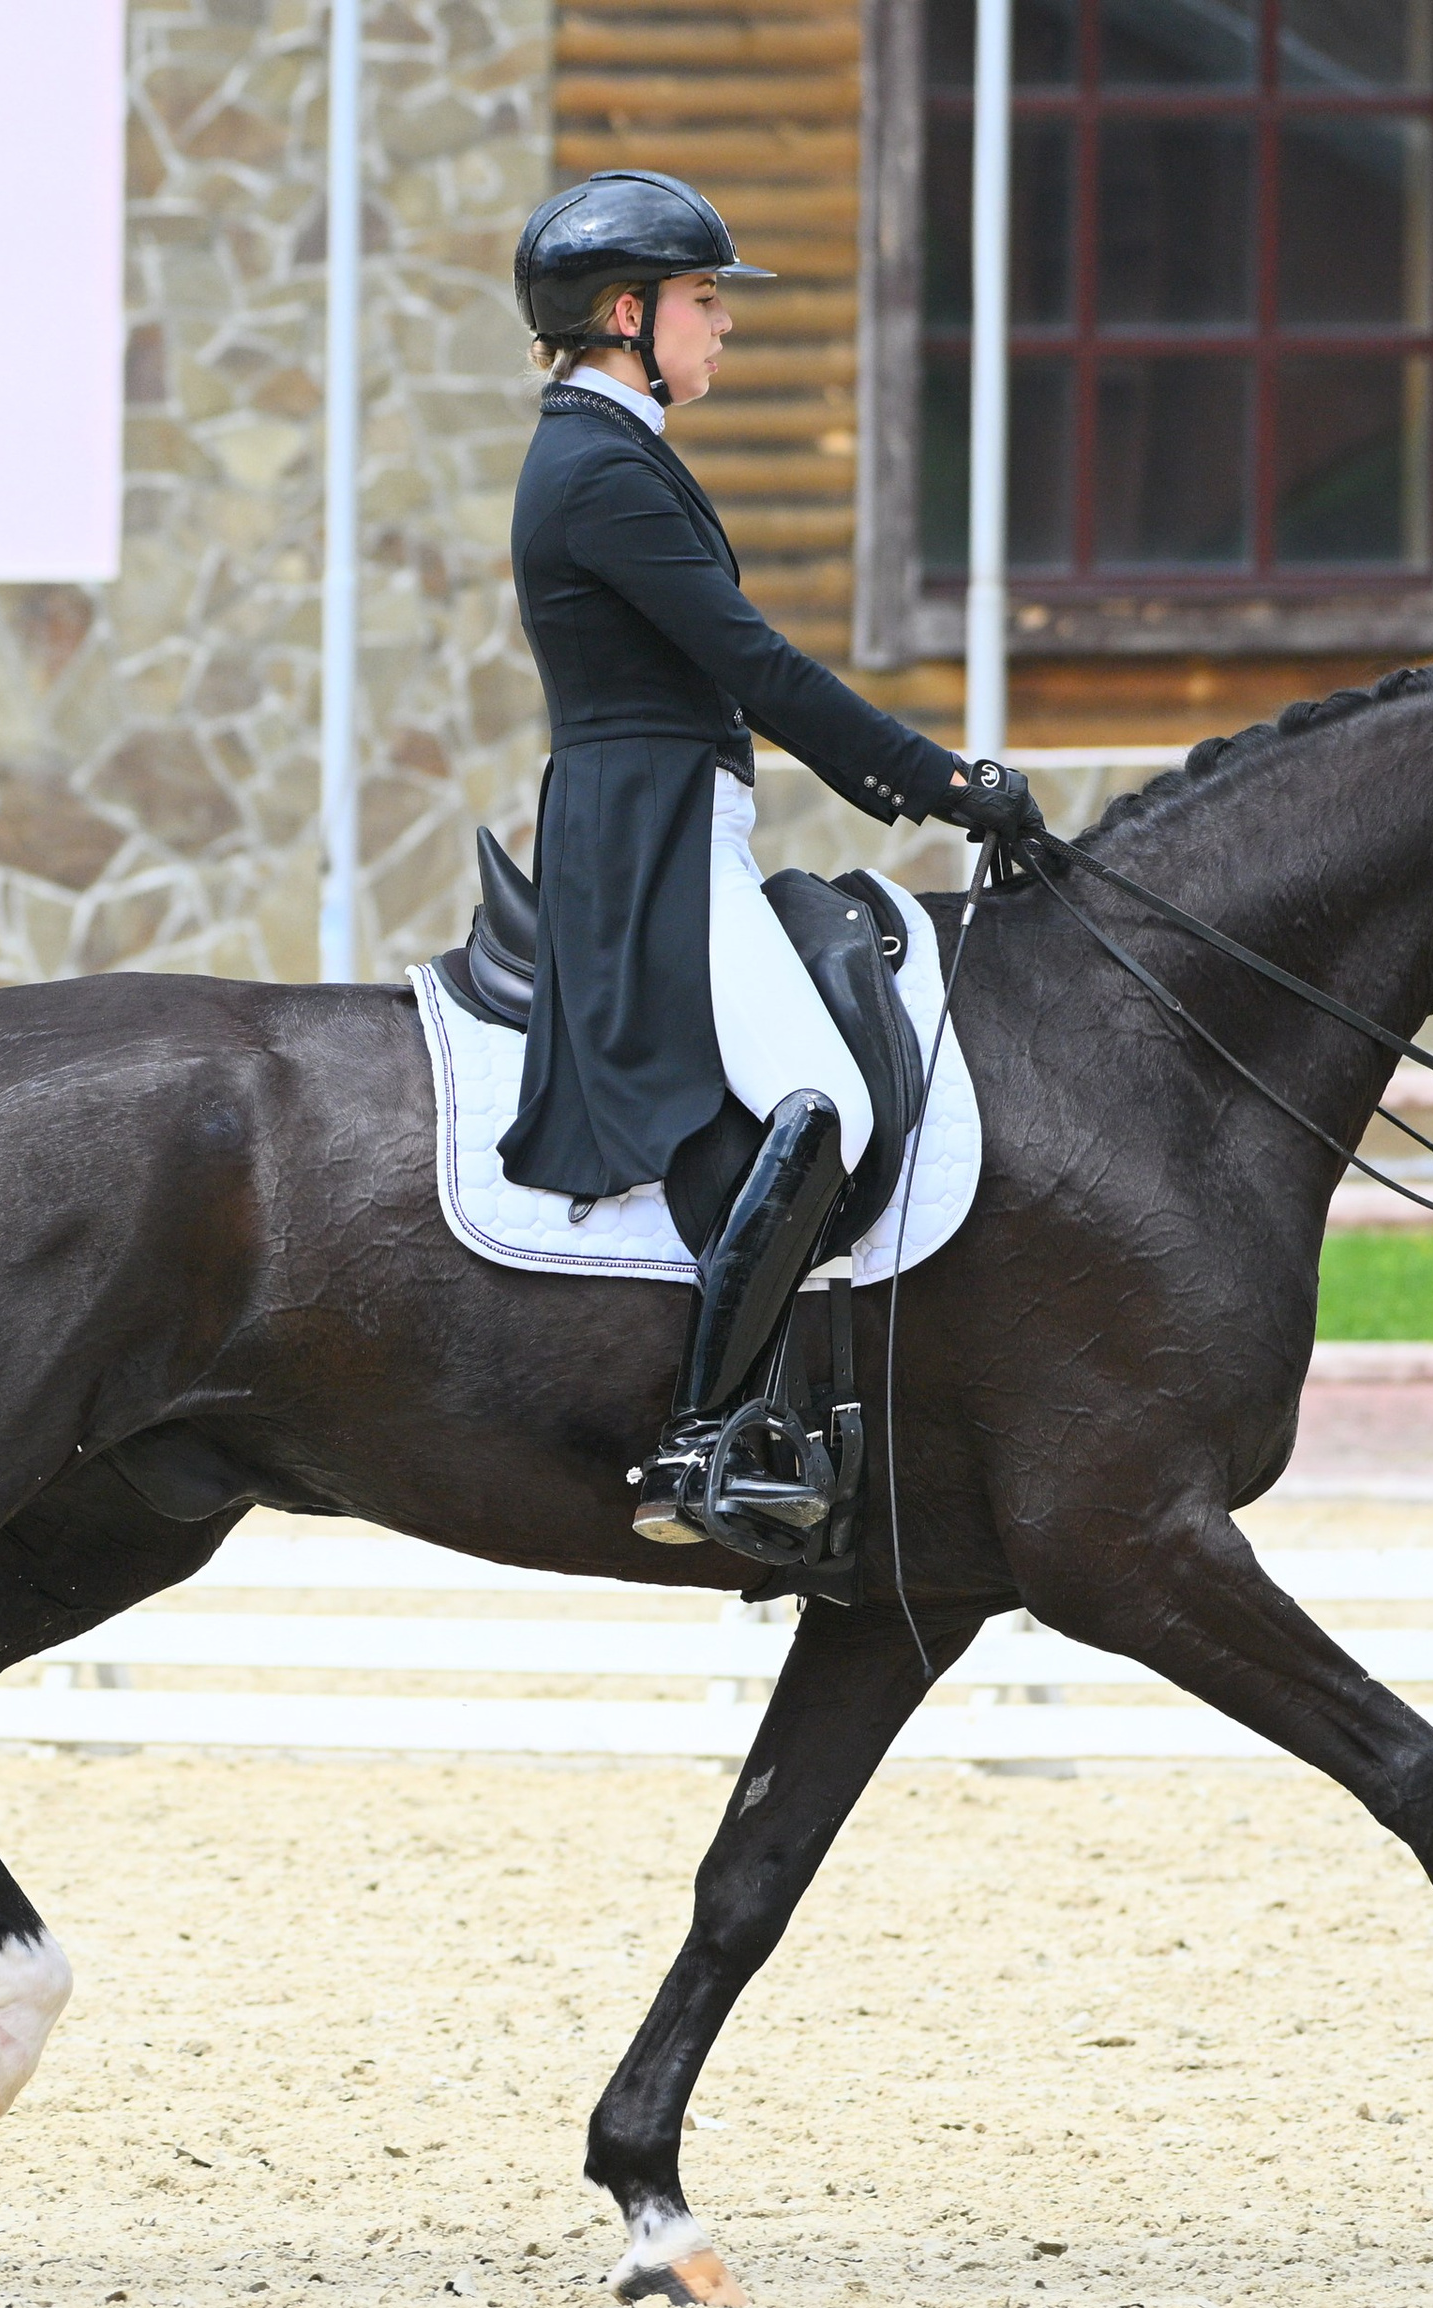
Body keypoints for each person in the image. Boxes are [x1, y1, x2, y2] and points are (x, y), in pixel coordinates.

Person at [500, 168, 1042, 1550]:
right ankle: (703, 1440)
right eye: (701, 300)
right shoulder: (597, 468)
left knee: (815, 1096)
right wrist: (945, 784)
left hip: (676, 819)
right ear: (627, 314)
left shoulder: (612, 450)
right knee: (820, 1102)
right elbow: (752, 664)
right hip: (648, 837)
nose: (722, 325)